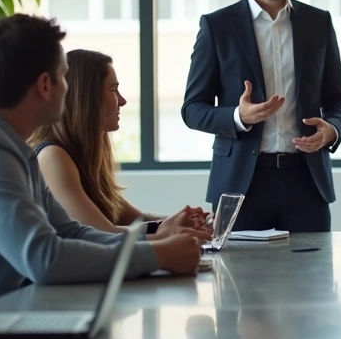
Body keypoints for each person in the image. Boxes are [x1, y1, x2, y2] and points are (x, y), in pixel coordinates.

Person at [0, 15, 201, 302]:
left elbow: (69, 231)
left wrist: (155, 242)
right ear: (45, 85)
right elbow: (45, 258)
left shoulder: (9, 145)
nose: (69, 90)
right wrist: (157, 255)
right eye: (63, 78)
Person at [181, 0, 341, 232]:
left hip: (307, 183)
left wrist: (332, 130)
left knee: (313, 280)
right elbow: (192, 109)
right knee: (237, 280)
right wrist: (238, 116)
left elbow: (338, 99)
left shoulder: (318, 23)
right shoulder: (217, 27)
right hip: (240, 184)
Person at [29, 49, 210, 237]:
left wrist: (185, 222)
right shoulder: (52, 156)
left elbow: (136, 220)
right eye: (114, 89)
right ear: (86, 97)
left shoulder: (83, 155)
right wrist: (168, 230)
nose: (122, 101)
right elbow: (102, 234)